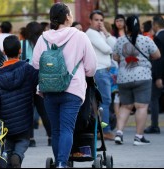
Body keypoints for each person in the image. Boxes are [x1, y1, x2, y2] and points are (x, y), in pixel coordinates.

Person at [32, 3, 97, 168]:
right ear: (67, 17)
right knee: (67, 128)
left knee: (56, 130)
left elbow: (35, 65)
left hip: (48, 90)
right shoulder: (80, 36)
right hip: (72, 90)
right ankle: (62, 163)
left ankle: (61, 162)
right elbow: (91, 68)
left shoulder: (43, 38)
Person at [0, 35, 38, 168]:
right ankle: (18, 155)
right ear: (20, 51)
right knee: (23, 141)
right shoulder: (28, 70)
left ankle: (11, 160)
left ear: (4, 52)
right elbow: (39, 83)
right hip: (23, 117)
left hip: (4, 120)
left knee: (8, 146)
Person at [113, 15, 160, 146]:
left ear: (126, 26)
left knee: (125, 107)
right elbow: (157, 55)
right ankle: (138, 137)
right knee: (141, 106)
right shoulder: (146, 40)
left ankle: (119, 133)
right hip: (142, 77)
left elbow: (115, 57)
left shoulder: (120, 41)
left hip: (124, 77)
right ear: (139, 26)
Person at [86, 10, 117, 140]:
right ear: (90, 21)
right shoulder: (91, 33)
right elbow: (108, 49)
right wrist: (106, 37)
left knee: (102, 102)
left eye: (101, 20)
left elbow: (115, 45)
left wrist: (105, 32)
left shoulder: (100, 33)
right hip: (100, 71)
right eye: (96, 20)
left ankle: (102, 130)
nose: (99, 22)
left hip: (104, 70)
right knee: (105, 101)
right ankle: (105, 130)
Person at [20, 21, 52, 147]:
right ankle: (51, 137)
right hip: (42, 79)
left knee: (27, 111)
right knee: (44, 110)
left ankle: (30, 139)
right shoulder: (45, 44)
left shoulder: (22, 44)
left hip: (26, 81)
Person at [144, 15, 164, 134]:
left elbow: (159, 60)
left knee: (154, 99)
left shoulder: (158, 38)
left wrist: (158, 77)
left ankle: (155, 125)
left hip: (160, 75)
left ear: (156, 25)